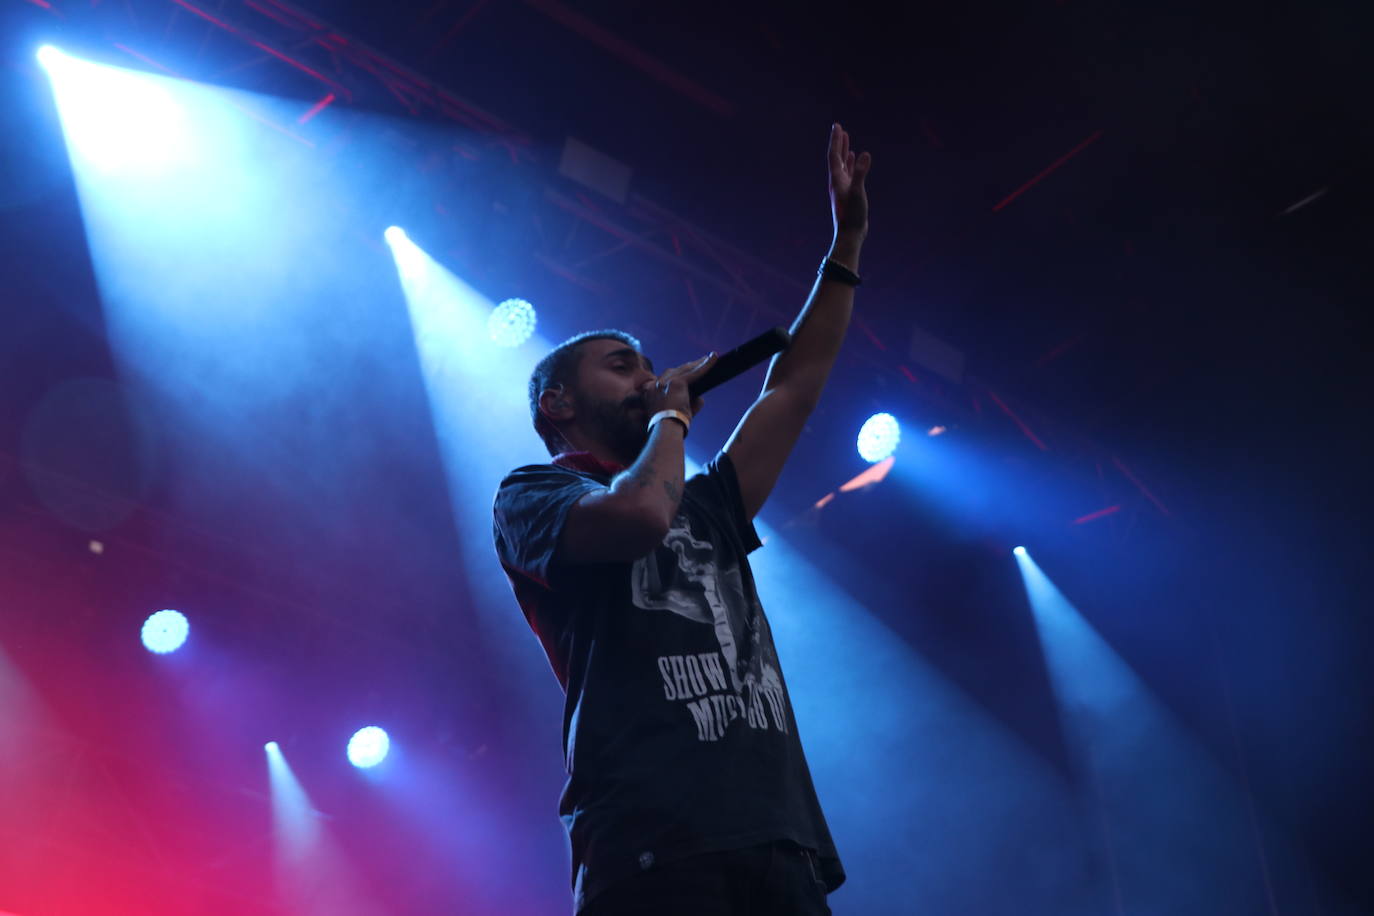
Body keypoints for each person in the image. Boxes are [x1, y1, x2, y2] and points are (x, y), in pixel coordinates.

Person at [492, 123, 871, 914]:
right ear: (556, 404)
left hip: (778, 840)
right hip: (650, 845)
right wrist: (673, 418)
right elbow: (635, 518)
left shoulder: (707, 502)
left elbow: (793, 387)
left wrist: (846, 247)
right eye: (622, 366)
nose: (652, 377)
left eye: (651, 366)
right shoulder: (532, 495)